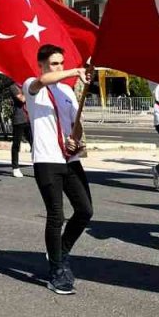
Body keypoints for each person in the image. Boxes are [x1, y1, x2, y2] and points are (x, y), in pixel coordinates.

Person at [25, 44, 95, 295]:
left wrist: (75, 140)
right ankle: (56, 271)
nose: (59, 67)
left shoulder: (66, 91)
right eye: (54, 63)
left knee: (85, 210)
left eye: (61, 63)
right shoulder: (33, 86)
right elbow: (43, 81)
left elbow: (75, 124)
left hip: (70, 160)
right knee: (56, 215)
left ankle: (59, 251)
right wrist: (75, 71)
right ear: (41, 65)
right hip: (47, 161)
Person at [9, 80, 30, 179]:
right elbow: (22, 99)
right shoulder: (13, 87)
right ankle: (15, 167)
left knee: (34, 142)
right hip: (19, 119)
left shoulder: (26, 86)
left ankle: (38, 164)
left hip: (29, 118)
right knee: (16, 144)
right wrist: (29, 91)